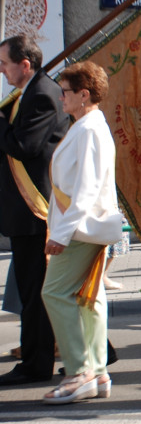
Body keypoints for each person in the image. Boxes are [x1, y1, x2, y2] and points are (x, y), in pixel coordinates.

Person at [38, 61, 123, 403]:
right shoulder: (88, 126)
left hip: (80, 230)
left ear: (83, 95)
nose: (61, 98)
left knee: (55, 293)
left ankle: (78, 372)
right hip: (85, 228)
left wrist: (62, 233)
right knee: (89, 299)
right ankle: (97, 372)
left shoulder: (88, 129)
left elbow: (86, 189)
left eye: (66, 92)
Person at [0, 35, 70, 387]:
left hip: (35, 210)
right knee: (42, 290)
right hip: (25, 211)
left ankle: (35, 364)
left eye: (5, 63)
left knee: (35, 292)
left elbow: (24, 145)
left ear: (24, 64)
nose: (2, 70)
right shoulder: (28, 93)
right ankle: (99, 352)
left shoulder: (42, 93)